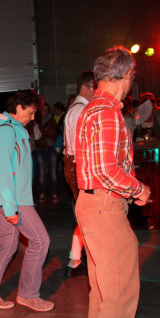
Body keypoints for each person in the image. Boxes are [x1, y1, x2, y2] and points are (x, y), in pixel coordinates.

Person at [75, 47, 150, 318]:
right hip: (105, 206)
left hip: (94, 205)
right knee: (119, 291)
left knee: (104, 288)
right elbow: (106, 169)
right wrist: (138, 189)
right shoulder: (106, 111)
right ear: (127, 74)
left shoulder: (94, 107)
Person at [0, 90, 53, 311]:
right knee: (40, 241)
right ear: (19, 107)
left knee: (7, 246)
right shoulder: (6, 131)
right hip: (12, 199)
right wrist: (11, 208)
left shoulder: (12, 128)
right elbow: (3, 170)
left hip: (10, 198)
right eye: (31, 112)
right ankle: (29, 294)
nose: (33, 117)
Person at [63, 71, 96, 278]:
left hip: (76, 166)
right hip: (79, 167)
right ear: (84, 87)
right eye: (95, 87)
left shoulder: (78, 108)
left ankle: (75, 260)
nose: (97, 92)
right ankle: (76, 260)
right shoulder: (80, 110)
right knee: (88, 216)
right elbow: (78, 147)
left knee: (86, 216)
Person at [33, 100, 60, 202]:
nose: (45, 112)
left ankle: (54, 193)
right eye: (43, 110)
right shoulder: (36, 122)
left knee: (53, 173)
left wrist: (44, 134)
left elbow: (54, 134)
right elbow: (37, 136)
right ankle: (42, 193)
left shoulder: (52, 121)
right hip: (40, 149)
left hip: (51, 148)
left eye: (46, 110)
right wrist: (46, 133)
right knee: (42, 173)